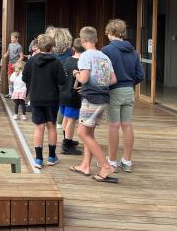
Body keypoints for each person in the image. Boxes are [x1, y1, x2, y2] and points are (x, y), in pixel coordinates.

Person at [71, 26, 118, 183]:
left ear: (83, 41)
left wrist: (76, 73)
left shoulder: (85, 56)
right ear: (96, 40)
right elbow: (113, 80)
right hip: (104, 98)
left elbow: (83, 79)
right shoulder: (105, 57)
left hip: (91, 98)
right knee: (89, 133)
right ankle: (85, 165)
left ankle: (105, 166)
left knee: (82, 133)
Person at [102, 19, 144, 173]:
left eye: (107, 32)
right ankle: (127, 161)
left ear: (111, 32)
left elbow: (103, 74)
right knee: (127, 125)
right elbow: (140, 75)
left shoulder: (106, 50)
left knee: (113, 125)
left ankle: (112, 161)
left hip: (113, 91)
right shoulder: (133, 52)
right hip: (129, 91)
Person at [22, 34, 66, 169]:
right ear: (52, 47)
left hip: (35, 98)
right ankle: (52, 157)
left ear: (38, 46)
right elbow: (62, 81)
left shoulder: (31, 61)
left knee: (39, 127)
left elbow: (24, 78)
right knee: (51, 126)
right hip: (52, 99)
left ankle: (39, 159)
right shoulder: (57, 62)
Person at [59, 39, 84, 156]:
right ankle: (67, 145)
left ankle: (66, 139)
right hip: (73, 95)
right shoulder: (83, 63)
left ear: (73, 48)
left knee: (66, 118)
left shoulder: (67, 60)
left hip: (63, 94)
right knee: (71, 120)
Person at [4, 31, 24, 97]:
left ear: (17, 39)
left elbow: (21, 56)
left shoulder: (19, 46)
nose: (11, 39)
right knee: (9, 77)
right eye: (11, 38)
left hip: (17, 65)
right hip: (10, 63)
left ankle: (16, 93)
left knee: (17, 78)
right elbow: (8, 52)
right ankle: (10, 93)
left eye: (13, 38)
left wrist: (16, 64)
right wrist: (6, 54)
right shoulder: (9, 45)